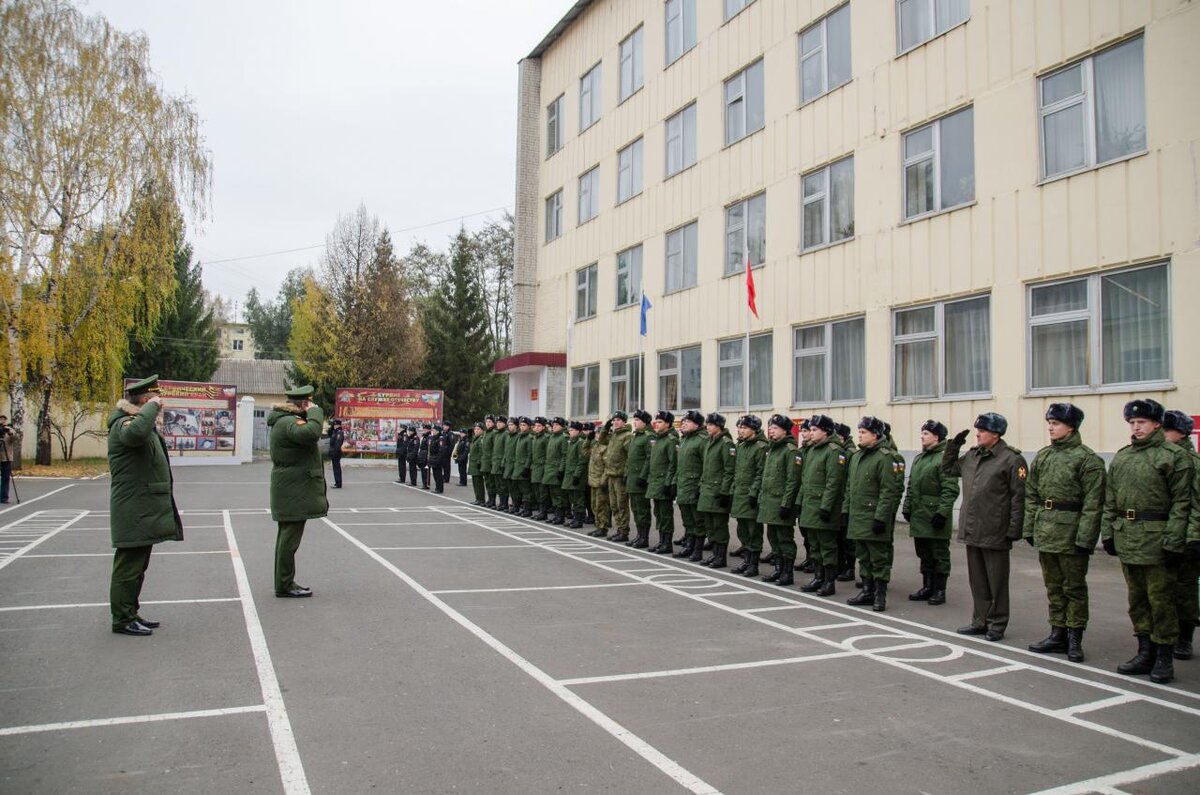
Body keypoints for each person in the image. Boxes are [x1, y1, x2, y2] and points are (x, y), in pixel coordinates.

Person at [1104, 399, 1192, 684]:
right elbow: (1111, 500)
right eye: (1132, 422)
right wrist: (1109, 533)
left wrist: (1175, 540)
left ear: (1157, 424)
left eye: (1141, 422)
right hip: (1129, 537)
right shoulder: (1124, 456)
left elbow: (1183, 503)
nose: (1136, 427)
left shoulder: (1172, 456)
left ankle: (1164, 657)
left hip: (1158, 539)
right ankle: (1145, 652)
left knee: (1161, 601)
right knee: (1137, 600)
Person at [1024, 404, 1105, 663]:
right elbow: (1032, 494)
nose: (1050, 427)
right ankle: (1057, 632)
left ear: (1071, 426)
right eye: (1049, 422)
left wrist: (1085, 538)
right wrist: (1030, 528)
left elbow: (1093, 504)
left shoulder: (1087, 459)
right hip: (1047, 529)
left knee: (1074, 588)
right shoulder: (1044, 456)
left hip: (1071, 533)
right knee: (1054, 586)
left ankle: (1075, 638)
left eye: (1056, 423)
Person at [106, 375, 183, 636]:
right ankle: (122, 619)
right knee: (128, 566)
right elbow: (135, 434)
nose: (160, 404)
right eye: (154, 400)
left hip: (141, 505)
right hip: (133, 506)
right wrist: (152, 407)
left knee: (138, 566)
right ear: (145, 400)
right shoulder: (123, 423)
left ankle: (130, 612)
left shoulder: (139, 422)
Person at [944, 412, 1026, 642]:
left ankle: (997, 624)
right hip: (972, 527)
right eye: (977, 429)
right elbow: (949, 469)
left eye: (982, 430)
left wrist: (1014, 529)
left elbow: (1018, 498)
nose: (977, 433)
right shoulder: (972, 456)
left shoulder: (1011, 459)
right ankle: (980, 621)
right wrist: (954, 446)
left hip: (995, 529)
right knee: (977, 580)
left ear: (996, 434)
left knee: (996, 581)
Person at [267, 385, 328, 598]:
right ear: (302, 404)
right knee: (289, 540)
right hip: (293, 490)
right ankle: (284, 584)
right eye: (308, 404)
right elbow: (311, 434)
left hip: (291, 488)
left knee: (286, 538)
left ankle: (284, 582)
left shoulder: (285, 422)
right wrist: (315, 412)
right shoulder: (288, 423)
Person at [843, 417, 905, 610]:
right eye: (859, 431)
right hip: (858, 515)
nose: (859, 435)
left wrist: (880, 518)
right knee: (863, 555)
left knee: (879, 558)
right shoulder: (857, 456)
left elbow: (889, 490)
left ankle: (880, 595)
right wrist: (846, 510)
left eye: (863, 432)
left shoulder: (886, 457)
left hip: (873, 516)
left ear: (875, 435)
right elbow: (849, 487)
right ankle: (867, 591)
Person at [902, 420, 959, 606]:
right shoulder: (920, 458)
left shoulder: (944, 458)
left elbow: (950, 489)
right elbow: (911, 486)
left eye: (926, 433)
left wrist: (942, 513)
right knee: (924, 553)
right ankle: (927, 586)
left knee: (939, 554)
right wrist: (907, 507)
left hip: (934, 515)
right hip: (920, 514)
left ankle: (939, 589)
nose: (922, 436)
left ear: (936, 436)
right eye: (922, 433)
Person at [793, 414, 848, 594]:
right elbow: (805, 480)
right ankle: (818, 577)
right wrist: (800, 502)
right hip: (810, 505)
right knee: (814, 545)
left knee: (827, 546)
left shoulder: (834, 451)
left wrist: (826, 507)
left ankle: (829, 581)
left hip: (824, 508)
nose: (811, 432)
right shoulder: (812, 450)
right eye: (811, 429)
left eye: (815, 430)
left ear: (826, 431)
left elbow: (834, 483)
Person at [1162, 410, 1200, 660]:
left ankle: (1184, 637)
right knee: (1164, 589)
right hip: (1164, 532)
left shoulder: (1191, 462)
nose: (1164, 435)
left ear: (1182, 432)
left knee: (1184, 590)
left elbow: (1195, 505)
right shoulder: (1164, 458)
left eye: (1168, 430)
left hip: (1187, 535)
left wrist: (1193, 537)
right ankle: (1167, 634)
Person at [755, 415, 798, 581]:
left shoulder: (790, 451)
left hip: (781, 503)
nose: (771, 431)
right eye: (770, 428)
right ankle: (779, 568)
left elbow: (792, 481)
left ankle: (787, 572)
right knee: (773, 537)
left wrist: (786, 504)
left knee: (785, 538)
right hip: (769, 502)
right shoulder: (771, 449)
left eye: (775, 428)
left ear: (785, 430)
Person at [697, 413, 737, 568]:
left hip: (718, 491)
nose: (708, 427)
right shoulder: (709, 442)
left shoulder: (726, 444)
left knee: (719, 526)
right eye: (707, 424)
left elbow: (729, 470)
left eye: (711, 425)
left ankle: (721, 557)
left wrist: (725, 492)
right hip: (707, 490)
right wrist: (700, 486)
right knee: (709, 525)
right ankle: (714, 554)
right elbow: (705, 468)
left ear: (719, 426)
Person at [730, 416, 767, 574]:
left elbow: (761, 473)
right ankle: (747, 560)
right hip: (739, 493)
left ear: (754, 429)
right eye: (739, 427)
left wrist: (753, 493)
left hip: (751, 495)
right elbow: (736, 470)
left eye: (744, 427)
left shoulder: (761, 447)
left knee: (753, 531)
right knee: (742, 529)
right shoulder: (741, 446)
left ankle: (754, 564)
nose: (740, 430)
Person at [673, 410, 706, 559]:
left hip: (694, 486)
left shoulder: (701, 440)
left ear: (697, 424)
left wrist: (700, 486)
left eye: (688, 421)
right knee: (687, 520)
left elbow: (707, 466)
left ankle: (697, 549)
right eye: (683, 421)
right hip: (683, 485)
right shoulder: (684, 439)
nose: (684, 424)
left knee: (697, 521)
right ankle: (689, 545)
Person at [647, 411, 678, 554]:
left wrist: (669, 483)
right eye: (656, 421)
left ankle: (667, 543)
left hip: (663, 482)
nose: (656, 424)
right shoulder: (658, 439)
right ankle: (661, 541)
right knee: (658, 513)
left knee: (665, 514)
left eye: (660, 422)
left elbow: (673, 463)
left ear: (668, 424)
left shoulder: (671, 440)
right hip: (655, 482)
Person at [625, 410, 654, 548]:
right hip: (632, 478)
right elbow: (630, 459)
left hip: (640, 480)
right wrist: (626, 474)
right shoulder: (635, 436)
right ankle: (639, 535)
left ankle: (644, 537)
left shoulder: (648, 436)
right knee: (635, 509)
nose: (634, 422)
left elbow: (649, 458)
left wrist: (643, 476)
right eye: (634, 419)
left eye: (637, 420)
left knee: (642, 509)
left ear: (645, 422)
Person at [604, 411, 633, 542]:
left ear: (624, 422)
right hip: (611, 474)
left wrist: (626, 473)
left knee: (622, 505)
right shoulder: (614, 435)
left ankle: (624, 531)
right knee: (614, 505)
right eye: (613, 420)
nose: (615, 422)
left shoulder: (627, 436)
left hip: (620, 475)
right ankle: (619, 529)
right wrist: (606, 426)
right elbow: (601, 439)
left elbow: (629, 457)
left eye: (618, 420)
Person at [562, 421, 588, 528]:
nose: (570, 432)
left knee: (578, 498)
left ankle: (579, 519)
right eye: (569, 430)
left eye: (572, 430)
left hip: (577, 475)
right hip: (570, 474)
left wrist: (577, 475)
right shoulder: (571, 442)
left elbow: (581, 461)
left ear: (578, 431)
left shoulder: (580, 442)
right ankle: (575, 518)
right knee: (572, 498)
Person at [586, 422, 611, 536]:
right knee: (594, 505)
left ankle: (603, 527)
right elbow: (585, 452)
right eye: (596, 433)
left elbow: (607, 466)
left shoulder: (605, 447)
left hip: (600, 480)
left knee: (601, 506)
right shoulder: (595, 445)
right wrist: (587, 439)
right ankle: (598, 525)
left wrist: (603, 481)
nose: (597, 435)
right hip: (593, 480)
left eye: (599, 433)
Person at [543, 417, 568, 524]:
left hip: (557, 469)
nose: (554, 427)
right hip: (549, 469)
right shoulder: (552, 437)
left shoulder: (563, 438)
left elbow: (564, 455)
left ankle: (560, 516)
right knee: (553, 493)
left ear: (562, 426)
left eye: (557, 425)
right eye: (553, 425)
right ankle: (556, 515)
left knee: (559, 494)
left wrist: (561, 469)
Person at [529, 417, 550, 519]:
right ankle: (540, 511)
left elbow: (548, 454)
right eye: (535, 426)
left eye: (539, 426)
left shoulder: (546, 438)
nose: (536, 428)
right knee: (537, 491)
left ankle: (543, 512)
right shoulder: (535, 438)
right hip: (535, 467)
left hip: (542, 467)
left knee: (542, 492)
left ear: (543, 427)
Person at [513, 417, 534, 517]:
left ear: (529, 426)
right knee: (520, 489)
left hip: (524, 467)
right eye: (521, 425)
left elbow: (530, 454)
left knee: (526, 490)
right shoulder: (519, 437)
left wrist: (526, 467)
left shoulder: (529, 438)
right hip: (518, 466)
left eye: (524, 425)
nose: (522, 427)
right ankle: (522, 507)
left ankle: (527, 509)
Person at [478, 416, 497, 506]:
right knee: (488, 482)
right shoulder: (486, 433)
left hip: (490, 461)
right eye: (487, 422)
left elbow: (494, 449)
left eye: (490, 421)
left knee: (492, 483)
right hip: (485, 461)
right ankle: (490, 499)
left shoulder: (493, 433)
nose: (488, 423)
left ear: (493, 423)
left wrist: (492, 462)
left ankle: (492, 500)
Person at [468, 422, 487, 505]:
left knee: (479, 483)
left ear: (482, 430)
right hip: (473, 463)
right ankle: (478, 498)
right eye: (475, 429)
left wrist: (479, 461)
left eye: (478, 429)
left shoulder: (481, 439)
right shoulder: (475, 438)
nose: (476, 431)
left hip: (477, 463)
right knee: (475, 482)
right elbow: (470, 440)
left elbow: (481, 451)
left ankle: (481, 499)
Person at [428, 424, 447, 493]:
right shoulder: (433, 438)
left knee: (438, 474)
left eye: (434, 430)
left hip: (438, 459)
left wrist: (437, 459)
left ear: (438, 431)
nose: (433, 431)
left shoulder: (440, 438)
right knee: (435, 474)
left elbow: (441, 450)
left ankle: (440, 488)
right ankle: (437, 487)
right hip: (433, 458)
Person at [328, 418, 345, 489]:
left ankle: (338, 483)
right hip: (334, 453)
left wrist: (334, 453)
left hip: (336, 453)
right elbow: (329, 433)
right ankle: (337, 482)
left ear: (337, 425)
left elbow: (337, 444)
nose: (334, 426)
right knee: (335, 468)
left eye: (335, 424)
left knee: (337, 468)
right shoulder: (335, 432)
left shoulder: (339, 433)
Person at [0, 414, 14, 504]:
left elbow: (14, 438)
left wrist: (9, 432)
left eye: (3, 420)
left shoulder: (9, 430)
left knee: (5, 478)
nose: (2, 421)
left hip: (6, 457)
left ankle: (4, 497)